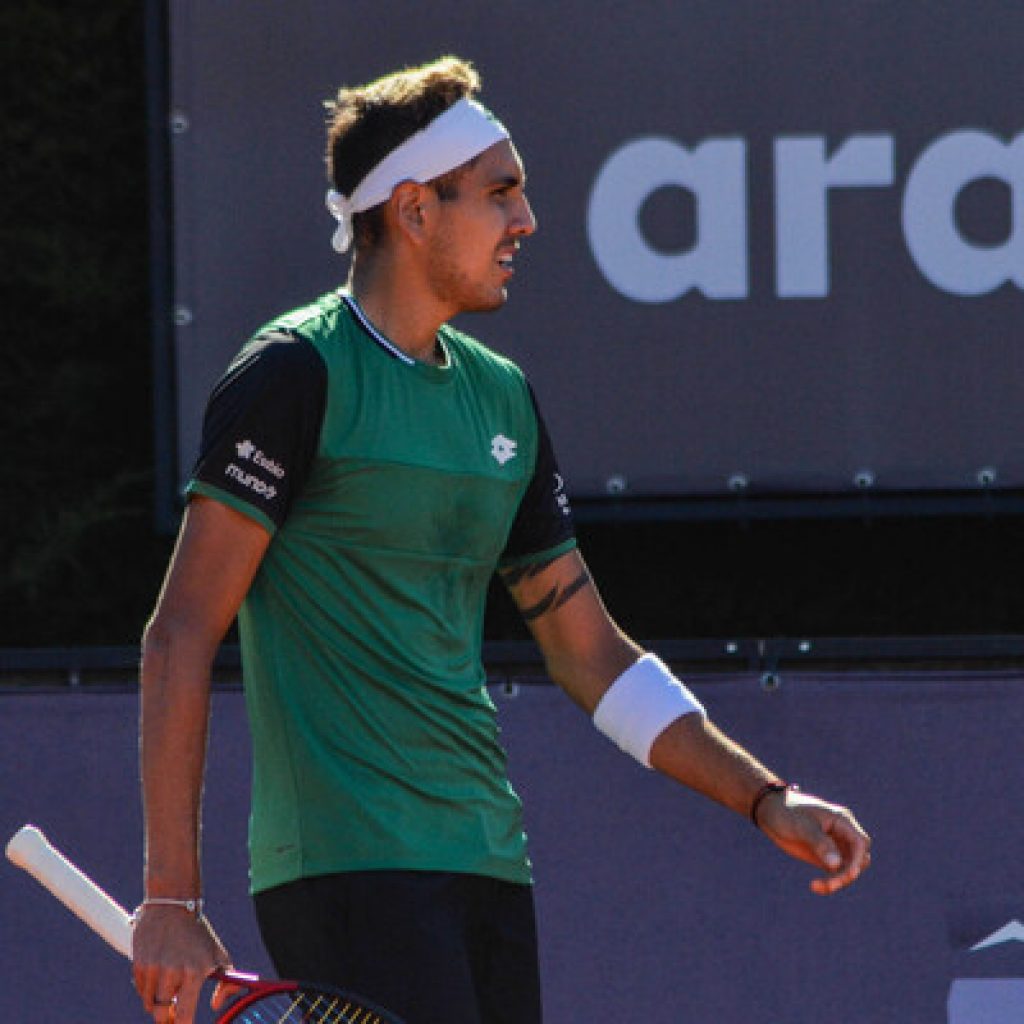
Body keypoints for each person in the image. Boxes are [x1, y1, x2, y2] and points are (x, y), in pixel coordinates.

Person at [131, 55, 871, 1024]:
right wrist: (172, 901)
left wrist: (765, 796)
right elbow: (180, 631)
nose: (525, 221)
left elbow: (591, 654)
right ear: (413, 209)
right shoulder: (291, 374)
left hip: (485, 860)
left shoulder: (503, 398)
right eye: (499, 193)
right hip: (349, 864)